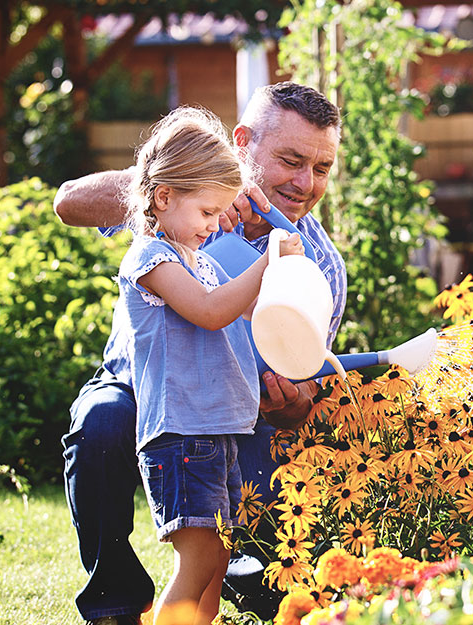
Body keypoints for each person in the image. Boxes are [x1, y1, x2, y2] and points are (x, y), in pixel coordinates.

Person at [56, 82, 346, 625]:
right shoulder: (179, 209)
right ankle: (118, 605)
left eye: (322, 168)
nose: (305, 183)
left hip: (231, 410)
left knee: (238, 564)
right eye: (290, 160)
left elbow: (300, 387)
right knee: (101, 423)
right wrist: (176, 184)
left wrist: (293, 401)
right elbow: (68, 201)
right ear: (243, 143)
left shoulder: (320, 263)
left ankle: (242, 580)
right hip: (143, 387)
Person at [111, 105, 305, 625]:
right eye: (206, 213)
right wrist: (268, 263)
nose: (215, 225)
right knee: (198, 558)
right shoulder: (151, 259)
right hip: (182, 433)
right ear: (164, 196)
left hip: (215, 430)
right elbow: (213, 312)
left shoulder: (200, 260)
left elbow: (243, 308)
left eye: (221, 212)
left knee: (217, 558)